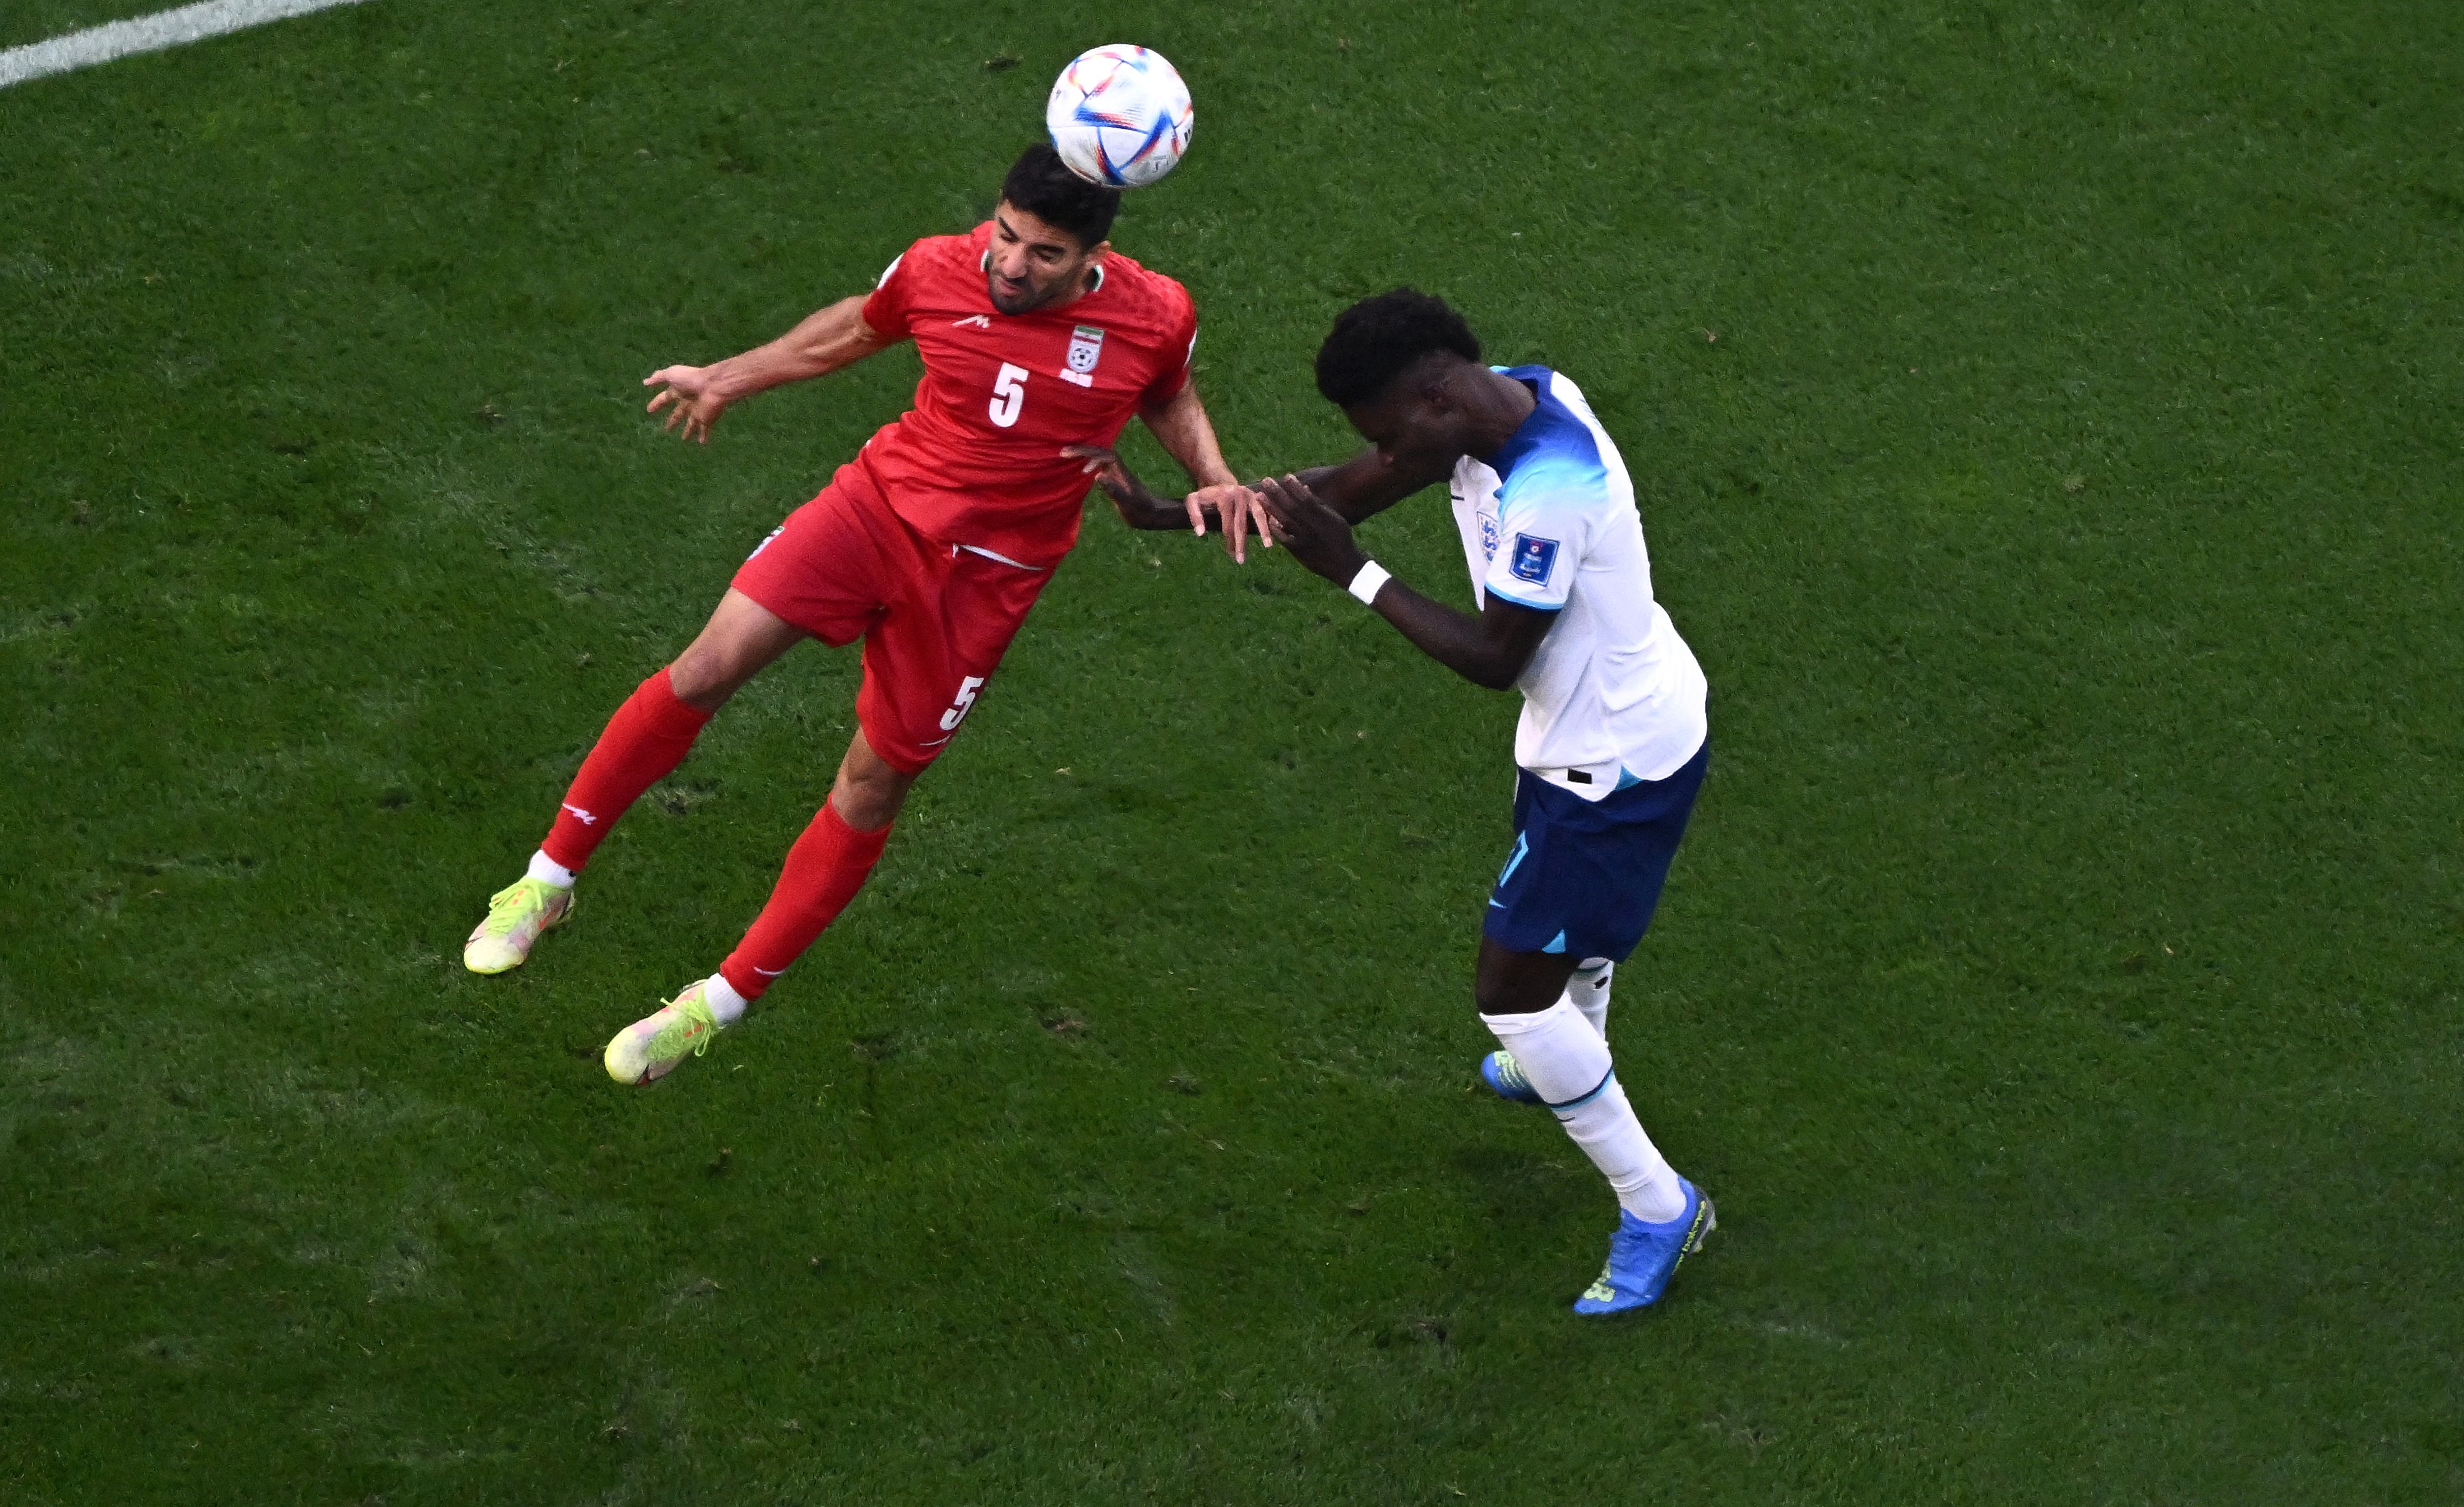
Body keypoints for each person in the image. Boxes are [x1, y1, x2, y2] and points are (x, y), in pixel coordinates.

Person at [462, 143, 1270, 1086]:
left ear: (1093, 256)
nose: (1010, 264)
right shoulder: (936, 266)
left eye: (1043, 256)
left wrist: (1211, 475)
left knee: (872, 784)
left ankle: (712, 1005)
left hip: (986, 582)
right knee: (704, 668)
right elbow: (853, 328)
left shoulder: (1155, 312)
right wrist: (730, 374)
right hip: (875, 510)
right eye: (1006, 235)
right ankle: (546, 883)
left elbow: (1166, 389)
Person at [1082, 288, 1714, 1316]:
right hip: (1599, 731)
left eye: (1385, 430)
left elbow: (1493, 656)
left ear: (1432, 396)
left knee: (1510, 990)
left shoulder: (1553, 488)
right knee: (1566, 941)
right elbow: (1354, 486)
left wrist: (1356, 574)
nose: (1381, 453)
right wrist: (1180, 509)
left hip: (1611, 766)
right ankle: (1569, 1061)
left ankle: (1657, 1203)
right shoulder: (1509, 401)